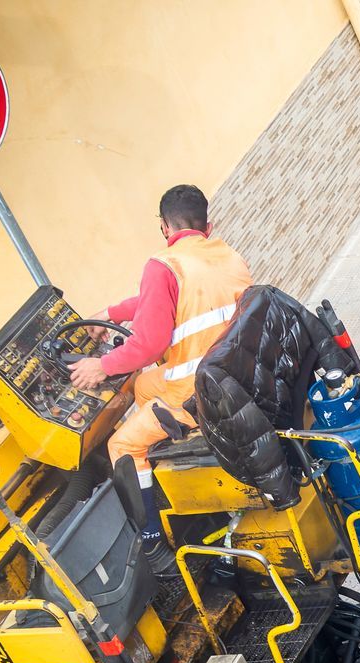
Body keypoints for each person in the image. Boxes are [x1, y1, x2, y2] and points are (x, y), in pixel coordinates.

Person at [68, 184, 252, 556]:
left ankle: (153, 544)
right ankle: (165, 468)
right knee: (144, 385)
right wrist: (112, 313)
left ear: (165, 228)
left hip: (199, 394)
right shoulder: (225, 255)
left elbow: (149, 344)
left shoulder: (162, 265)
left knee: (121, 444)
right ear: (207, 225)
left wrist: (100, 366)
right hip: (237, 375)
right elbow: (168, 299)